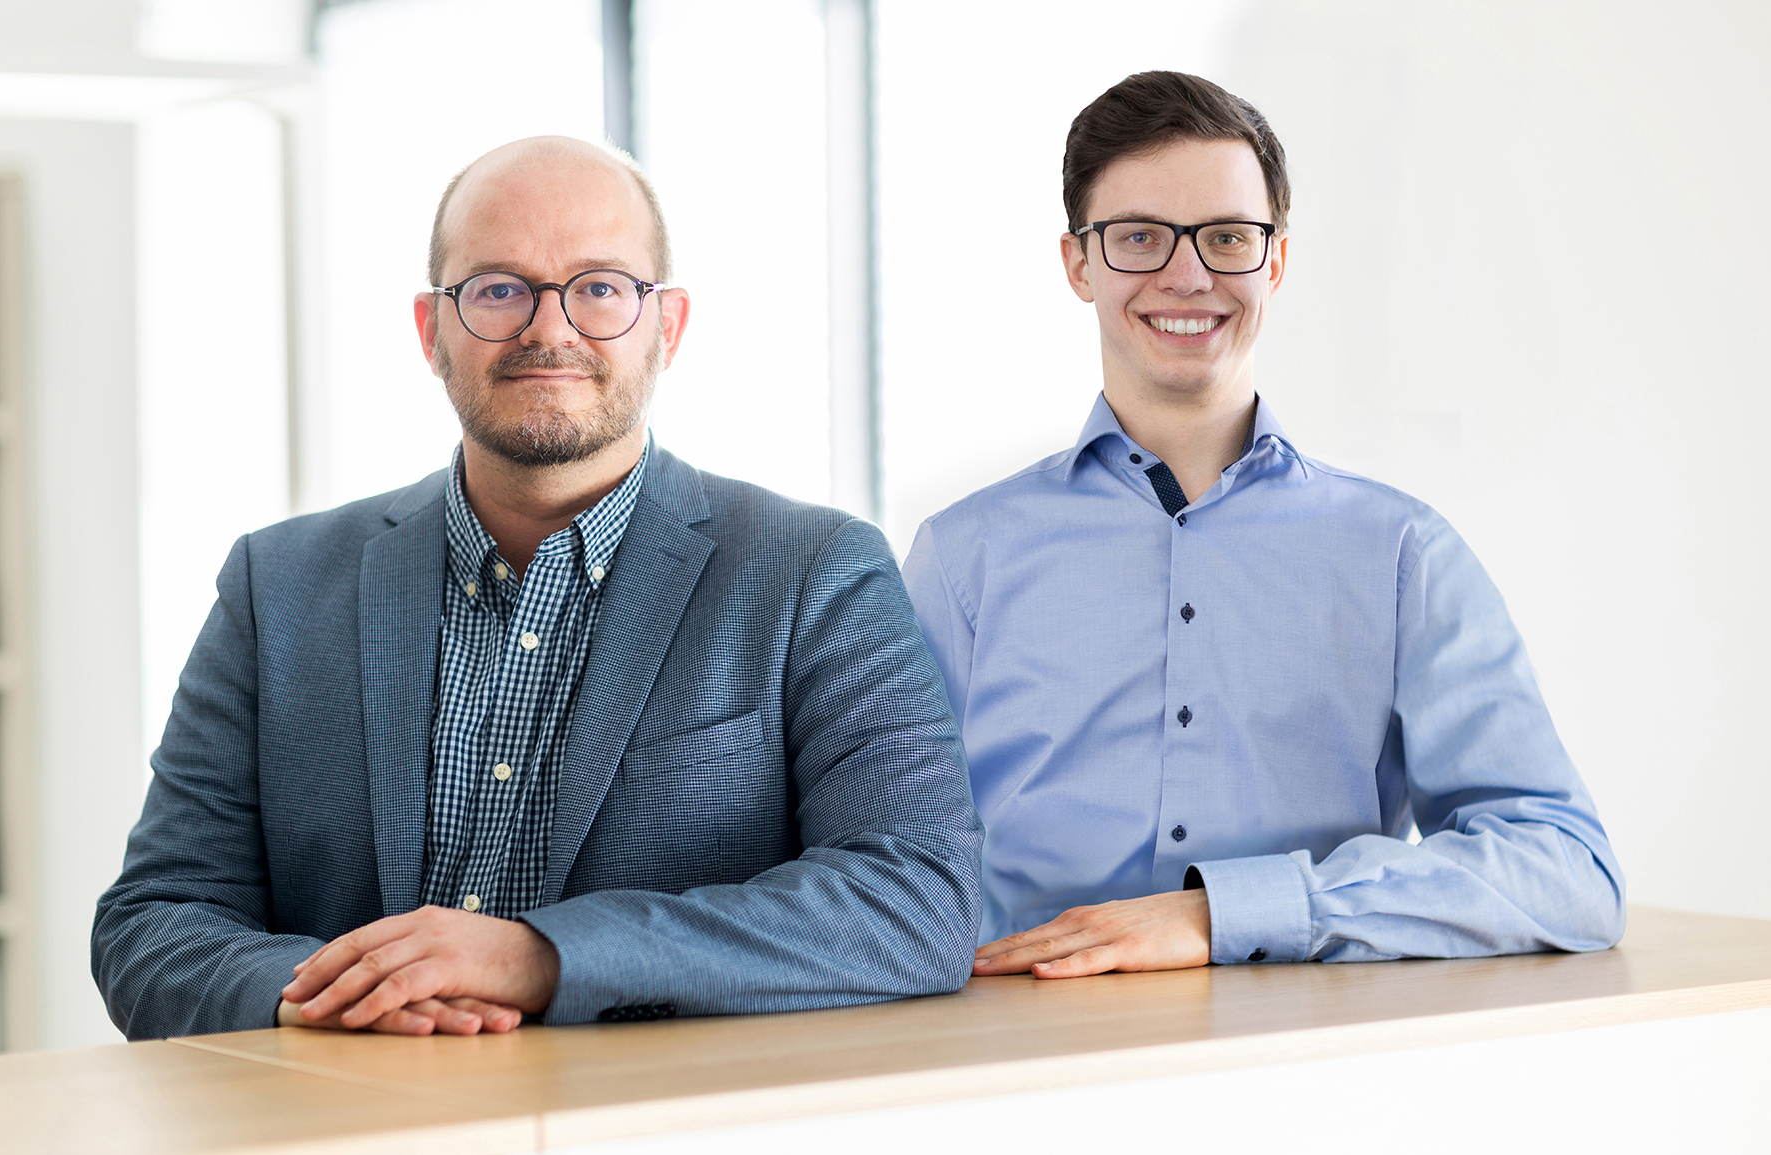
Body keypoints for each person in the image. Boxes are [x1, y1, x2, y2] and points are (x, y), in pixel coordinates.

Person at [94, 136, 982, 1040]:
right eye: (497, 289)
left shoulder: (813, 570)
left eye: (600, 287)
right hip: (347, 1102)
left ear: (667, 326)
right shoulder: (275, 585)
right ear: (430, 330)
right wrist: (347, 992)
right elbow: (157, 917)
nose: (549, 329)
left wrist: (541, 958)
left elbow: (914, 897)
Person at [901, 72, 1623, 979]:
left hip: (1303, 1052)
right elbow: (872, 859)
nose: (1187, 275)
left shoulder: (1401, 555)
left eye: (1228, 237)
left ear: (1274, 262)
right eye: (1138, 237)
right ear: (1079, 263)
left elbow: (1568, 871)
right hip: (1021, 1048)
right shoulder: (962, 558)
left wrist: (1228, 911)